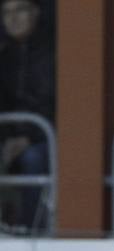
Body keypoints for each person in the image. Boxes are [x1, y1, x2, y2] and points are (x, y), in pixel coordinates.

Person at [0, 0, 54, 232]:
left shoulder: (55, 51)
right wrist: (8, 139)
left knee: (32, 158)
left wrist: (28, 138)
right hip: (10, 138)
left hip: (44, 137)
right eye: (6, 13)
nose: (13, 18)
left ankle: (30, 229)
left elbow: (58, 105)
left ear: (35, 12)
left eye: (20, 10)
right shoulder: (3, 56)